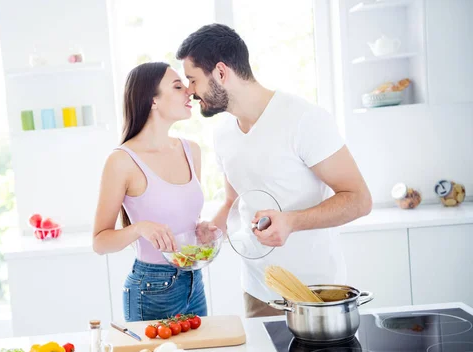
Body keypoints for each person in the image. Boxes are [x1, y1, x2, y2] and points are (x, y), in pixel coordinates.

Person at [177, 24, 373, 318]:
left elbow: (359, 199)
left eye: (192, 80)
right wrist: (212, 232)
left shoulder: (304, 120)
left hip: (315, 293)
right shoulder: (223, 135)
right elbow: (234, 200)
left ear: (220, 72)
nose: (190, 91)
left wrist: (291, 222)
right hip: (258, 291)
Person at [92, 62, 208, 322]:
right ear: (152, 100)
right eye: (177, 86)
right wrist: (138, 228)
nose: (188, 91)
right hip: (151, 288)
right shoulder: (122, 161)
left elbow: (183, 216)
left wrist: (201, 229)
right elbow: (99, 242)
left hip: (194, 280)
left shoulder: (192, 151)